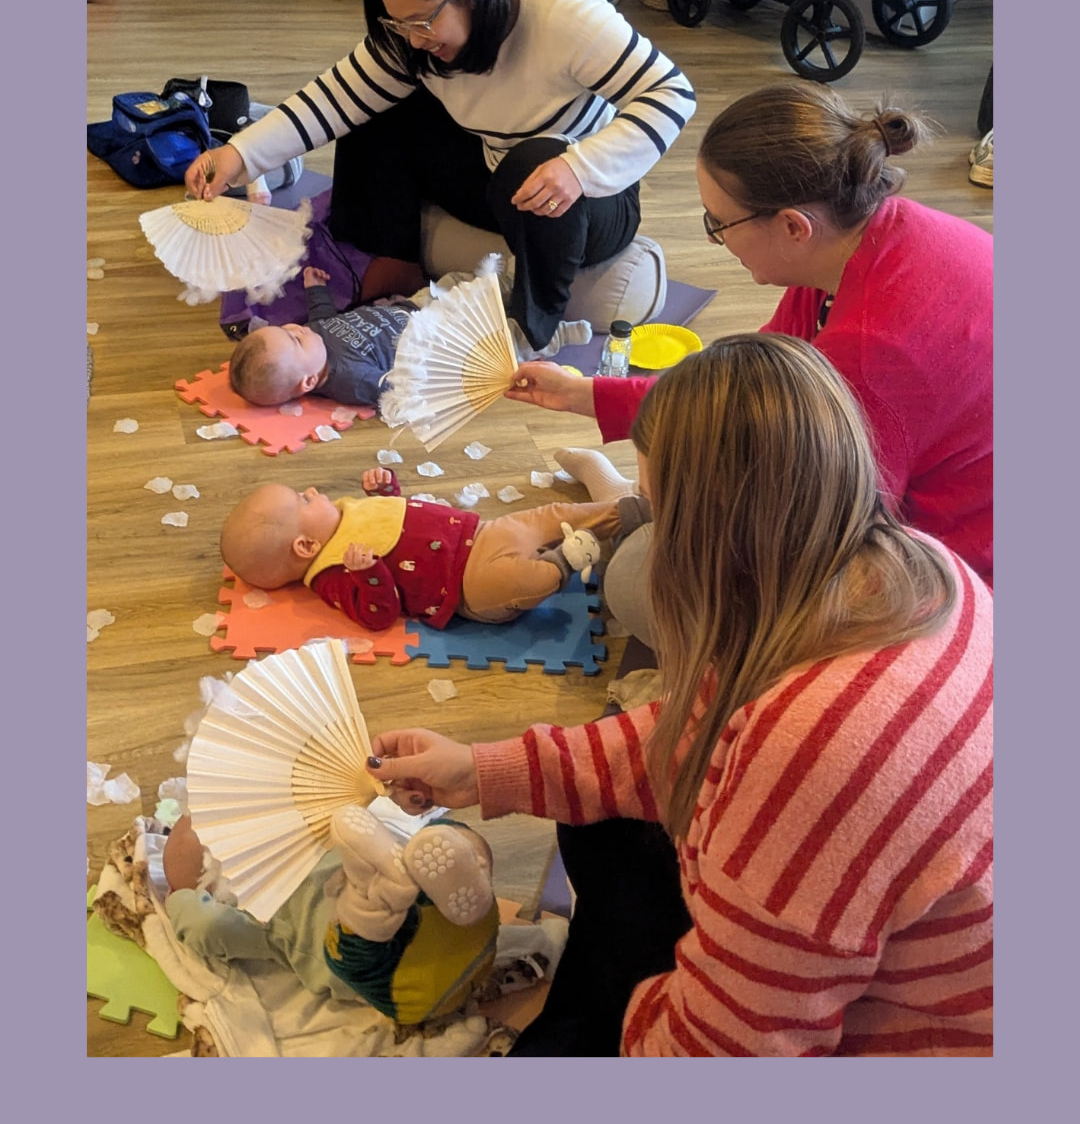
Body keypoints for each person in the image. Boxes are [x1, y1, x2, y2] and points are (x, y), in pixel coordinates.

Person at [363, 334, 994, 1057]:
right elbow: (688, 730)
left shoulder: (818, 749)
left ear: (712, 532)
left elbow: (724, 1052)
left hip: (909, 1039)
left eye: (660, 514)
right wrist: (481, 769)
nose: (655, 543)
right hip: (865, 940)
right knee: (601, 826)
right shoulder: (909, 567)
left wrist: (632, 1020)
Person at [508, 83, 994, 600]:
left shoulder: (872, 352)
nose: (713, 238)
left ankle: (635, 508)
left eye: (718, 223)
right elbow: (745, 392)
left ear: (792, 227)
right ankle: (634, 504)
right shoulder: (865, 238)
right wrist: (585, 395)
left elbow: (833, 539)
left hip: (944, 571)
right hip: (906, 500)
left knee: (637, 584)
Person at [183, 0, 696, 354]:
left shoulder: (566, 15)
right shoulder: (412, 40)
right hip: (498, 182)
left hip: (586, 201)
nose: (412, 37)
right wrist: (237, 155)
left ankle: (527, 330)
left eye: (422, 22)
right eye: (398, 24)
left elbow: (673, 94)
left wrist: (578, 169)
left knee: (534, 160)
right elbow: (335, 99)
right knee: (375, 107)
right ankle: (396, 262)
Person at [162, 807, 502, 1025]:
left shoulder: (251, 911)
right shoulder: (251, 907)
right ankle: (458, 858)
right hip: (406, 975)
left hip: (444, 935)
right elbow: (207, 923)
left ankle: (436, 866)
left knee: (431, 842)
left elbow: (203, 926)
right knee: (435, 837)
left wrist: (177, 901)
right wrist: (181, 901)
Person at [219, 466, 648, 630]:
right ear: (306, 545)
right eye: (303, 500)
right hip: (466, 588)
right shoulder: (332, 573)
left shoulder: (351, 511)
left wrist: (388, 488)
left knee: (550, 514)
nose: (312, 488)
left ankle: (628, 511)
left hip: (482, 534)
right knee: (516, 582)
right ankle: (564, 562)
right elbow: (378, 616)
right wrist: (368, 572)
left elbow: (403, 516)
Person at [228, 266, 417, 408]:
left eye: (285, 329)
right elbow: (397, 387)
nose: (297, 329)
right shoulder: (352, 379)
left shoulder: (314, 340)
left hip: (407, 306)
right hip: (434, 334)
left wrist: (316, 289)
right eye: (296, 340)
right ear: (309, 381)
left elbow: (323, 317)